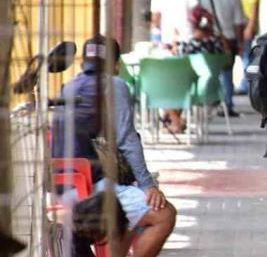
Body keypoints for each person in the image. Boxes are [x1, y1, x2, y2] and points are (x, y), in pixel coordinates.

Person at [51, 35, 176, 257]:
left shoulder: (69, 87)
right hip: (90, 187)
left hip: (63, 185)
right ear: (116, 66)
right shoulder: (114, 85)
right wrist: (148, 186)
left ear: (82, 63)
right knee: (163, 214)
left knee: (128, 208)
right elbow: (127, 140)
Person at [197, 0, 246, 117]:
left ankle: (209, 101)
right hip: (228, 40)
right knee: (227, 73)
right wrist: (240, 43)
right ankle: (227, 105)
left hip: (208, 39)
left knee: (208, 71)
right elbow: (239, 23)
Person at [236, 0, 260, 95]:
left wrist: (250, 27)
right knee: (245, 55)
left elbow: (254, 9)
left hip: (247, 25)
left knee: (246, 56)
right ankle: (245, 84)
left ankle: (245, 85)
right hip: (246, 25)